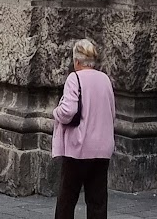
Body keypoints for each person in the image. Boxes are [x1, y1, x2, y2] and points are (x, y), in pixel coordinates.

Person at [52, 39, 116, 219]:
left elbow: (68, 111)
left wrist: (56, 112)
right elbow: (112, 112)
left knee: (67, 198)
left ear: (77, 61)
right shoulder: (105, 79)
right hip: (102, 149)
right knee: (97, 201)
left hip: (78, 148)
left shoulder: (75, 78)